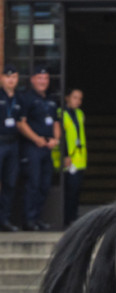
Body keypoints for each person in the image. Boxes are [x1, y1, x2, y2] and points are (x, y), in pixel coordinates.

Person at [16, 65, 60, 232]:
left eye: (46, 78)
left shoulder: (50, 99)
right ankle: (29, 220)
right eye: (40, 78)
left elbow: (56, 122)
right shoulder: (26, 98)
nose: (43, 81)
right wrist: (37, 139)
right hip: (32, 148)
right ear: (33, 79)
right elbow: (21, 123)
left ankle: (38, 218)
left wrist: (55, 139)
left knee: (45, 184)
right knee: (32, 184)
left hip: (47, 149)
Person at [0, 65, 23, 232]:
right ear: (2, 79)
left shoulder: (19, 98)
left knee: (10, 182)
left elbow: (22, 122)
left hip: (13, 144)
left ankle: (5, 219)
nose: (11, 80)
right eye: (8, 77)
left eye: (14, 77)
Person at [59, 88, 86, 227]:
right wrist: (64, 155)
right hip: (68, 159)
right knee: (68, 192)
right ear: (67, 98)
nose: (77, 101)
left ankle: (73, 218)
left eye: (80, 98)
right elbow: (61, 136)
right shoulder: (61, 114)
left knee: (75, 192)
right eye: (75, 97)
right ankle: (65, 219)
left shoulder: (80, 114)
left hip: (79, 160)